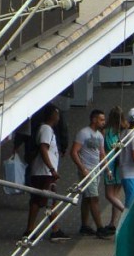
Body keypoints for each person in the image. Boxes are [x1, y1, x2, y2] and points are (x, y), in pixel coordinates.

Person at [24, 103, 70, 242]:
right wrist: (51, 169)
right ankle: (30, 231)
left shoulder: (47, 129)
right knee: (39, 200)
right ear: (53, 115)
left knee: (49, 200)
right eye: (57, 114)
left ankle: (54, 230)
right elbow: (44, 149)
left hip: (44, 172)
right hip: (43, 172)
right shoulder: (46, 129)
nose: (59, 117)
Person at [70, 109, 112, 238]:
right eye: (101, 119)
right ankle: (100, 227)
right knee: (94, 198)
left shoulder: (99, 135)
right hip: (88, 171)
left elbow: (102, 153)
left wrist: (107, 169)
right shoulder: (83, 133)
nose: (103, 122)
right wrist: (82, 168)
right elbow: (74, 151)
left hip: (96, 170)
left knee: (87, 199)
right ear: (94, 119)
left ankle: (85, 225)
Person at [103, 106, 126, 234]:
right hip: (121, 164)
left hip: (110, 164)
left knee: (109, 195)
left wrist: (106, 169)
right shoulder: (125, 130)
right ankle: (112, 222)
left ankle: (125, 212)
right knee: (115, 195)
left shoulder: (107, 132)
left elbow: (104, 150)